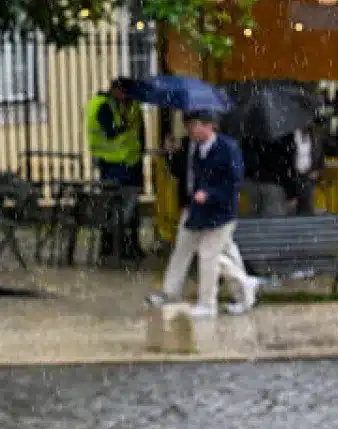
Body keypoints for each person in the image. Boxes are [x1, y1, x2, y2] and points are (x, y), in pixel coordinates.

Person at [153, 112, 257, 317]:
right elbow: (187, 175)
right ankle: (245, 283)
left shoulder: (227, 148)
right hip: (196, 211)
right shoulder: (196, 149)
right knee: (191, 250)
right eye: (190, 126)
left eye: (195, 126)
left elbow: (234, 182)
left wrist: (210, 194)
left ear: (210, 126)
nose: (191, 130)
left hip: (220, 214)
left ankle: (208, 304)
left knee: (209, 256)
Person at [86, 78, 145, 264]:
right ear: (114, 90)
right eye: (122, 92)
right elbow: (110, 131)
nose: (125, 96)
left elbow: (140, 132)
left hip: (132, 163)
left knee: (131, 207)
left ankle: (130, 245)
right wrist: (125, 124)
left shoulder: (133, 106)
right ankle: (111, 246)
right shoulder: (103, 105)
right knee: (114, 207)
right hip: (112, 165)